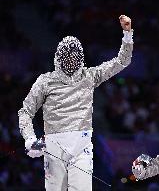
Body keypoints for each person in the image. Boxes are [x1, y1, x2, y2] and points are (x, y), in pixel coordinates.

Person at [18, 15, 133, 191]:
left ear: (80, 58)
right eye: (68, 57)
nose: (71, 61)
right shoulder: (45, 81)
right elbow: (25, 111)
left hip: (82, 148)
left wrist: (127, 34)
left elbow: (122, 61)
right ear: (59, 57)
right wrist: (30, 139)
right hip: (53, 150)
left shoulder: (89, 76)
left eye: (74, 57)